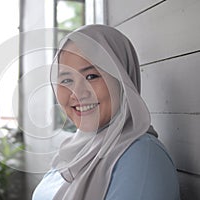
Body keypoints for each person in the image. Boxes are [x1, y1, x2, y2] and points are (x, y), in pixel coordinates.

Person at [32, 24, 180, 200]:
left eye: (91, 76)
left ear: (123, 80)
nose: (78, 93)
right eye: (66, 79)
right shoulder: (73, 150)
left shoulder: (141, 157)